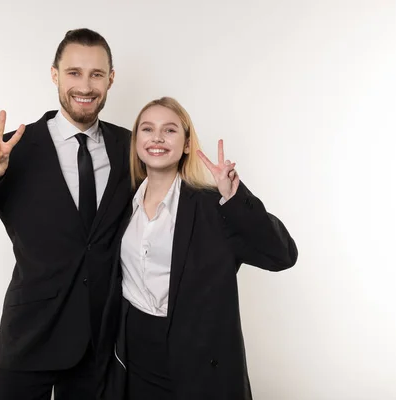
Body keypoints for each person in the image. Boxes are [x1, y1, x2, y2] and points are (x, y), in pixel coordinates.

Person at [0, 28, 132, 400]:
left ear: (110, 79)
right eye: (74, 72)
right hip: (29, 340)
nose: (85, 86)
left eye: (96, 74)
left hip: (101, 345)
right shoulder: (15, 149)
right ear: (55, 75)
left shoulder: (129, 147)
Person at [101, 97, 298, 399]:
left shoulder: (213, 206)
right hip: (132, 353)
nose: (157, 138)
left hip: (196, 359)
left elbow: (282, 255)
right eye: (147, 129)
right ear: (136, 140)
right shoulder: (122, 202)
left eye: (169, 130)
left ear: (187, 144)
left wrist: (235, 200)